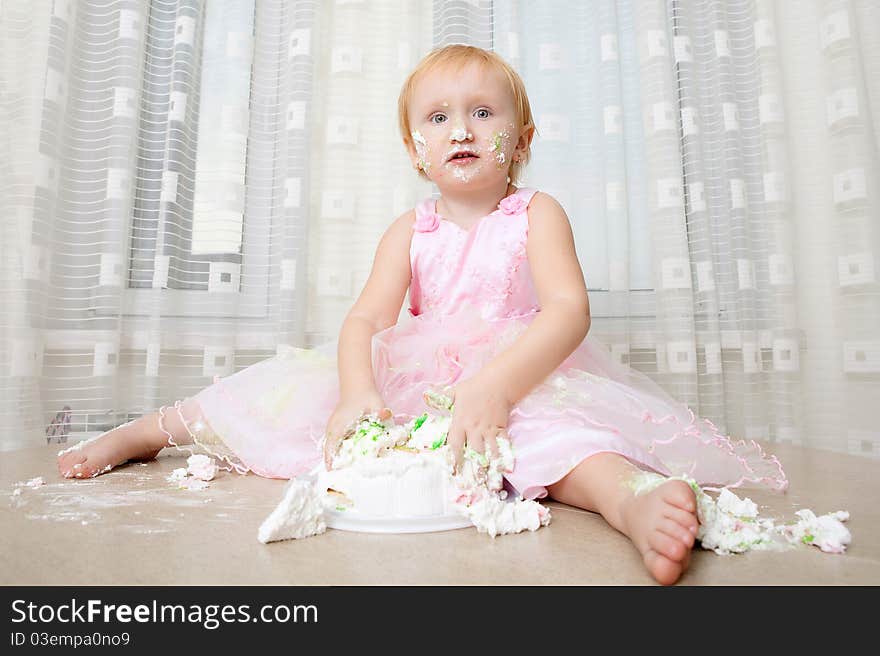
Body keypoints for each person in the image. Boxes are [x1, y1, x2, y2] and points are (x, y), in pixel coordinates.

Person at [57, 44, 787, 585]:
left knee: (558, 441)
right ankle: (151, 431)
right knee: (273, 400)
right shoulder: (411, 231)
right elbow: (364, 323)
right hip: (416, 383)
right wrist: (358, 392)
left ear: (521, 141)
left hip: (518, 375)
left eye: (482, 112)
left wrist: (499, 387)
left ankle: (629, 499)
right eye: (439, 118)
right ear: (417, 150)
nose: (461, 129)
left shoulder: (535, 214)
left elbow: (567, 312)